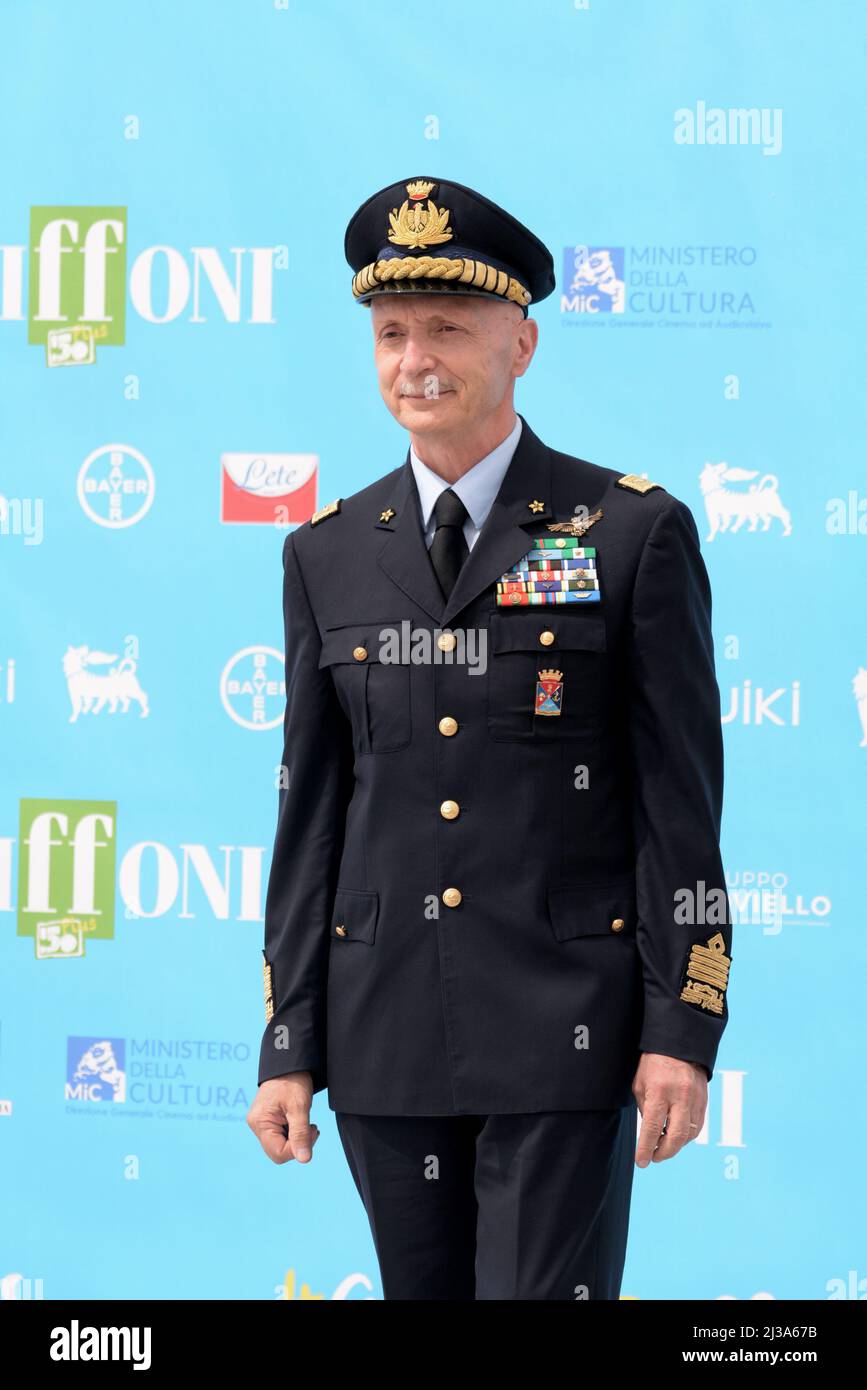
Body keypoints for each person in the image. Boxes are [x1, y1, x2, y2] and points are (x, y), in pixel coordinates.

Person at [246, 176, 733, 1300]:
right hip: (384, 1038)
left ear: (521, 342)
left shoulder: (626, 531)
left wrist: (684, 1022)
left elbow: (680, 811)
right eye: (391, 333)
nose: (416, 359)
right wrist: (289, 1036)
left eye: (449, 330)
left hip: (566, 1030)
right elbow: (312, 816)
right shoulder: (325, 553)